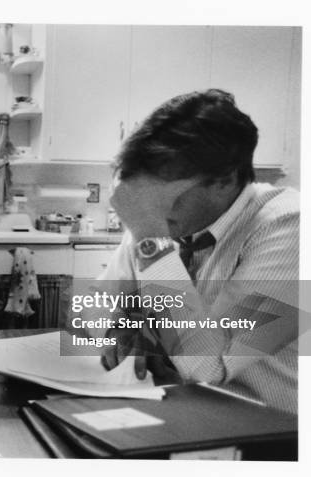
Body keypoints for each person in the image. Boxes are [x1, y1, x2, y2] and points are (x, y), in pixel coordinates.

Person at [96, 89, 299, 413]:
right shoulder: (166, 218)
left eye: (168, 191)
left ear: (223, 180)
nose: (154, 207)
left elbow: (209, 369)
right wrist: (122, 326)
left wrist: (150, 237)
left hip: (272, 436)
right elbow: (97, 305)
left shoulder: (294, 228)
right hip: (177, 414)